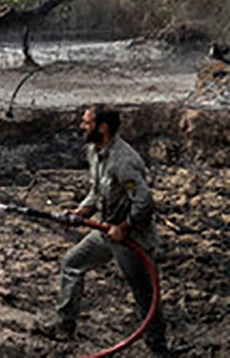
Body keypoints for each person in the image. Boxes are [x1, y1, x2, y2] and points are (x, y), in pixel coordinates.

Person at [38, 105, 169, 354]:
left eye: (86, 122)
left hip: (133, 239)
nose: (81, 126)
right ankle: (65, 328)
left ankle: (159, 349)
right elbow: (97, 191)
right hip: (105, 229)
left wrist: (124, 227)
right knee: (72, 262)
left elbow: (145, 203)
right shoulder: (94, 151)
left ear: (103, 128)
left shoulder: (124, 161)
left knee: (145, 296)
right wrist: (81, 212)